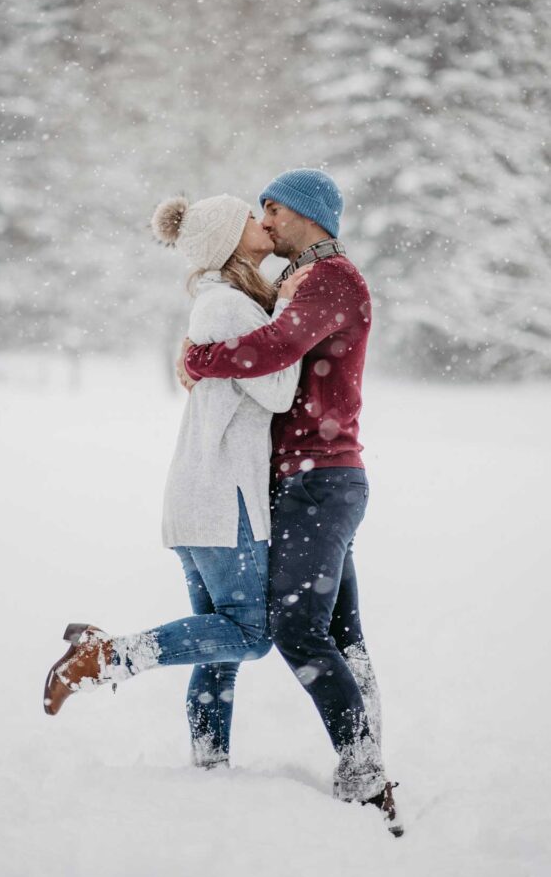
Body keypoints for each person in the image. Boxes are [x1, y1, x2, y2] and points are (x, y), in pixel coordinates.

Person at [43, 192, 311, 771]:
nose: (259, 222)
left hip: (203, 494)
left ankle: (208, 766)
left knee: (217, 648)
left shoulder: (225, 303)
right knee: (249, 633)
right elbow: (280, 391)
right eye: (247, 217)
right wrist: (288, 314)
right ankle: (106, 657)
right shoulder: (229, 308)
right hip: (223, 499)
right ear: (227, 238)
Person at [179, 168, 403, 836]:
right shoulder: (298, 279)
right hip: (307, 478)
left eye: (271, 208)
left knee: (296, 625)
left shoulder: (332, 278)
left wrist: (202, 358)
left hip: (321, 479)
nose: (265, 221)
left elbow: (275, 349)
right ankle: (367, 764)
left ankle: (366, 776)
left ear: (305, 213)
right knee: (340, 630)